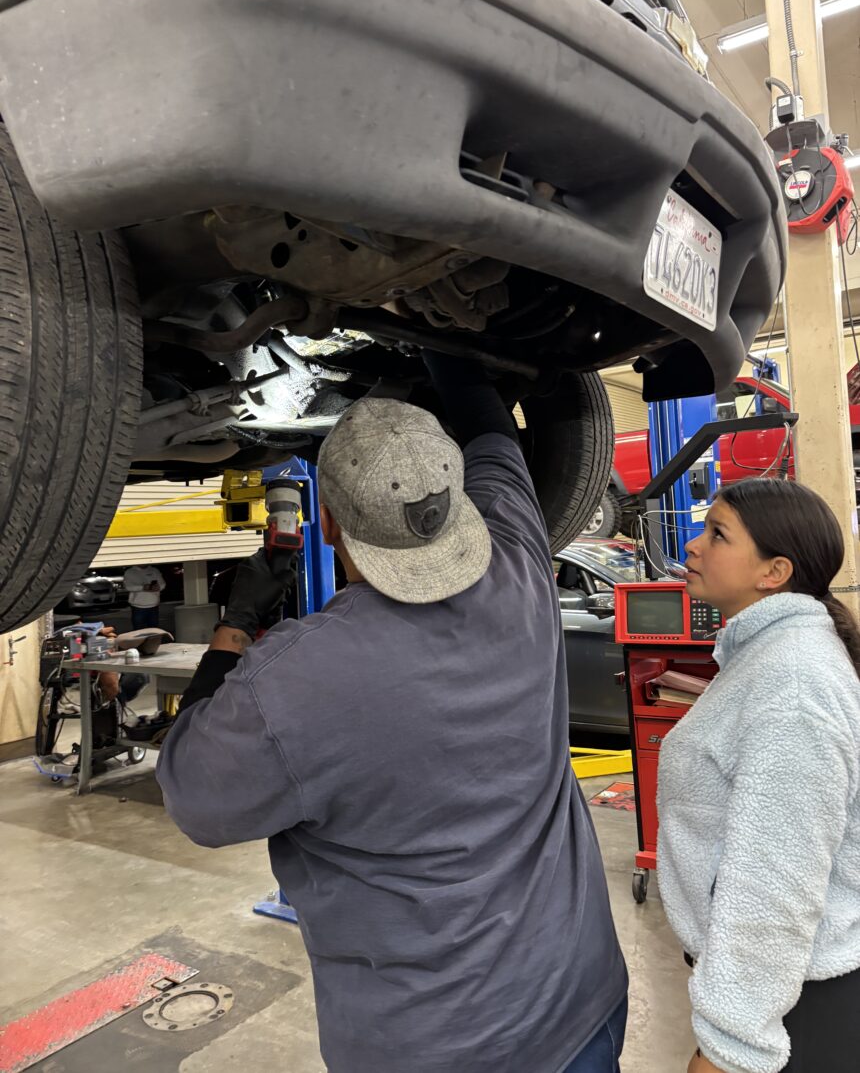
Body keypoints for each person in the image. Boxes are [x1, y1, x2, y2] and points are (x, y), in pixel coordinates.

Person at [156, 354, 628, 1073]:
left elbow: (192, 797)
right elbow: (495, 438)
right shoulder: (520, 568)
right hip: (580, 1005)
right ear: (458, 498)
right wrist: (446, 344)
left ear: (328, 524)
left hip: (437, 1051)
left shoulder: (294, 681)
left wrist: (236, 624)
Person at [657, 477, 860, 1073]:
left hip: (795, 1009)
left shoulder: (791, 682)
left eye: (717, 534)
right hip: (786, 992)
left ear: (774, 573)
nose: (693, 545)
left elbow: (776, 884)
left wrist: (730, 1047)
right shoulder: (772, 656)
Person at [123, 564, 165, 630]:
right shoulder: (130, 572)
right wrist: (143, 587)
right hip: (138, 607)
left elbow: (162, 584)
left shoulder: (154, 570)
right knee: (139, 630)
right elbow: (128, 586)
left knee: (154, 630)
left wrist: (158, 587)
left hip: (154, 605)